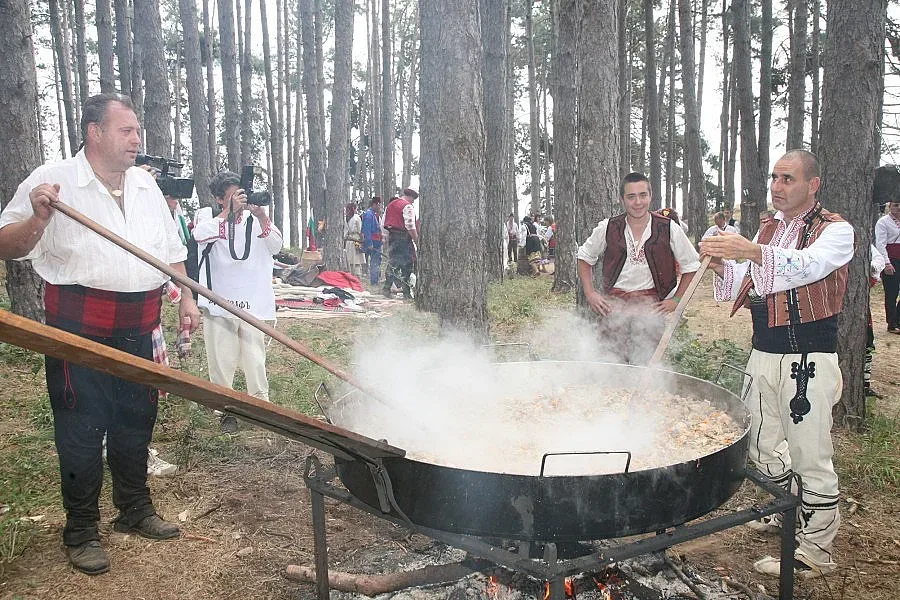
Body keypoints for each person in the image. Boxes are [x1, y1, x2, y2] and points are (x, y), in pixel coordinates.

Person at [0, 93, 199, 574]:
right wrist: (38, 218)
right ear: (95, 132)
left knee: (136, 421)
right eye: (126, 130)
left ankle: (134, 508)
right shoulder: (55, 181)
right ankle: (81, 530)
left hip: (141, 323)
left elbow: (171, 250)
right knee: (82, 428)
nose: (137, 139)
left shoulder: (147, 186)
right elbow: (6, 245)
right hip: (79, 327)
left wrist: (187, 296)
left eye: (137, 131)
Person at [700, 149, 853, 578]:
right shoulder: (769, 228)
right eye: (774, 178)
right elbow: (754, 282)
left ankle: (815, 549)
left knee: (809, 454)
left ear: (813, 185)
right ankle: (787, 507)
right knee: (760, 444)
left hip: (807, 359)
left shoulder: (836, 230)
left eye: (788, 178)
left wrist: (750, 249)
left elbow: (808, 267)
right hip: (763, 352)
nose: (777, 186)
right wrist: (722, 267)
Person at [577, 172, 700, 364]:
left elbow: (691, 266)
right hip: (614, 308)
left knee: (646, 364)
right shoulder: (608, 227)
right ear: (622, 200)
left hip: (650, 311)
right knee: (610, 362)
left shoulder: (668, 228)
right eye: (631, 196)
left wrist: (676, 300)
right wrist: (590, 293)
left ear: (650, 196)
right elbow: (584, 257)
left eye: (643, 195)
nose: (638, 202)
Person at [193, 170, 283, 432]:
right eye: (233, 197)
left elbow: (276, 246)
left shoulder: (256, 221)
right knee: (221, 358)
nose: (240, 201)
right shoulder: (208, 216)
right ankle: (226, 410)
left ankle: (261, 406)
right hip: (219, 301)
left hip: (252, 301)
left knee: (255, 357)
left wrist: (262, 215)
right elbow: (199, 235)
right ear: (220, 198)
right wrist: (227, 213)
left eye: (241, 195)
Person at [382, 188, 419, 299]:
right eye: (413, 199)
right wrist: (416, 240)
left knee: (393, 263)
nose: (413, 202)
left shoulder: (390, 205)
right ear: (410, 197)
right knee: (407, 264)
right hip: (403, 238)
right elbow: (410, 226)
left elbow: (383, 223)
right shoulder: (407, 206)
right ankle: (406, 292)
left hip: (392, 237)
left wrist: (385, 237)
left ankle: (387, 288)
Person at [874, 200, 900, 333]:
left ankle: (898, 319)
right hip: (892, 260)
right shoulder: (883, 222)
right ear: (890, 206)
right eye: (896, 205)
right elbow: (880, 244)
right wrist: (887, 263)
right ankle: (892, 323)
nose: (899, 208)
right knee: (892, 293)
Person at [361, 196, 384, 285]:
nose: (380, 207)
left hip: (376, 242)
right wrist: (369, 243)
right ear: (375, 204)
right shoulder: (369, 215)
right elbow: (367, 230)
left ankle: (376, 279)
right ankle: (374, 281)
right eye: (379, 205)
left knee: (377, 261)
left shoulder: (373, 214)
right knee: (374, 262)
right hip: (373, 242)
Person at [343, 202, 366, 278]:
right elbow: (360, 230)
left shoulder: (346, 218)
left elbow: (345, 233)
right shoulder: (356, 218)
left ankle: (351, 275)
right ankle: (357, 276)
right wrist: (362, 240)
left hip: (348, 242)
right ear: (354, 209)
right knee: (357, 261)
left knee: (350, 261)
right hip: (356, 241)